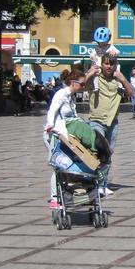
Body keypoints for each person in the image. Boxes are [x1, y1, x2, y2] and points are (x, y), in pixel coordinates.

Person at [87, 53, 134, 196]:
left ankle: (103, 184)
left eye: (111, 64)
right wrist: (89, 73)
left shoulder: (117, 80)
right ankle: (93, 183)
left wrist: (124, 79)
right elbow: (82, 85)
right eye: (106, 63)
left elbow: (132, 93)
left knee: (107, 154)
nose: (109, 66)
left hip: (112, 122)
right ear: (102, 64)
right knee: (97, 152)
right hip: (97, 120)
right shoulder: (95, 79)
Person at [43, 68, 88, 209]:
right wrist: (50, 124)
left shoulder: (71, 97)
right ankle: (54, 198)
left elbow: (72, 117)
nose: (83, 87)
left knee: (67, 165)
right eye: (82, 84)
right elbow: (52, 110)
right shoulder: (61, 94)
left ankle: (65, 193)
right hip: (54, 134)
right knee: (58, 166)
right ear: (73, 83)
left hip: (66, 135)